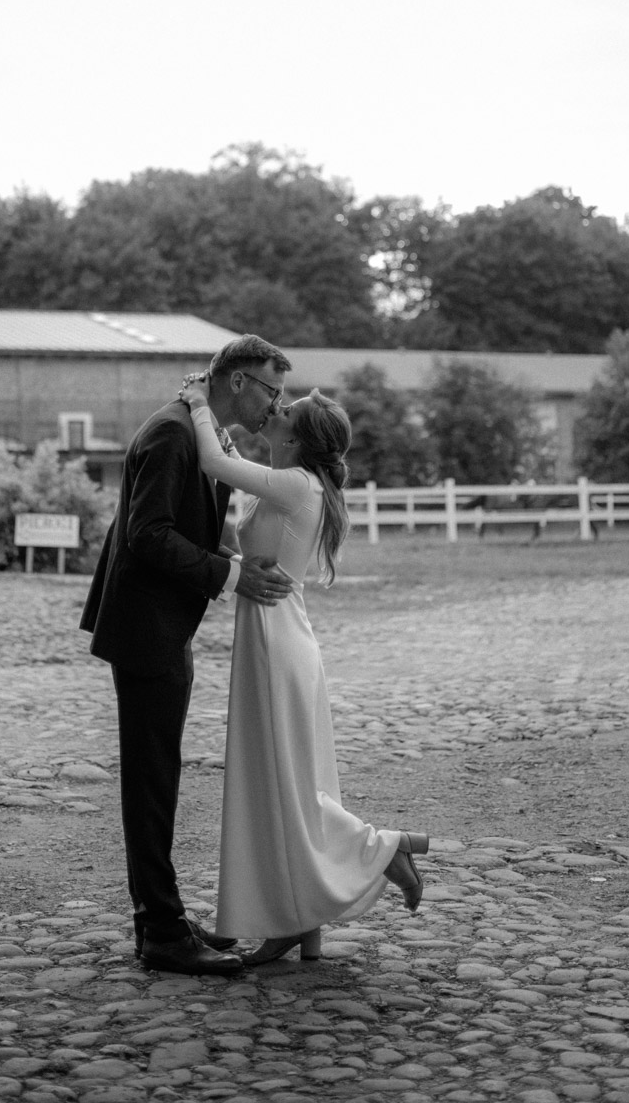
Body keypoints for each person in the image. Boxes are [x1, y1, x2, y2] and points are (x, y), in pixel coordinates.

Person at [180, 374, 431, 964]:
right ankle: (301, 920)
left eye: (287, 409)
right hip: (277, 636)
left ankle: (384, 848)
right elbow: (234, 471)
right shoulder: (292, 483)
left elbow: (214, 462)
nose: (277, 406)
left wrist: (197, 403)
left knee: (283, 786)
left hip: (276, 643)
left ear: (295, 438)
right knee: (285, 783)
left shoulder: (297, 484)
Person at [80, 334, 296, 976]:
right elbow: (148, 535)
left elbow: (185, 525)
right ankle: (162, 932)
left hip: (165, 625)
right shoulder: (172, 433)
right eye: (272, 390)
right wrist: (231, 576)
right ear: (238, 381)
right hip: (146, 627)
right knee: (151, 782)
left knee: (160, 776)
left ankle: (162, 917)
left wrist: (232, 561)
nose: (275, 405)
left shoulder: (197, 431)